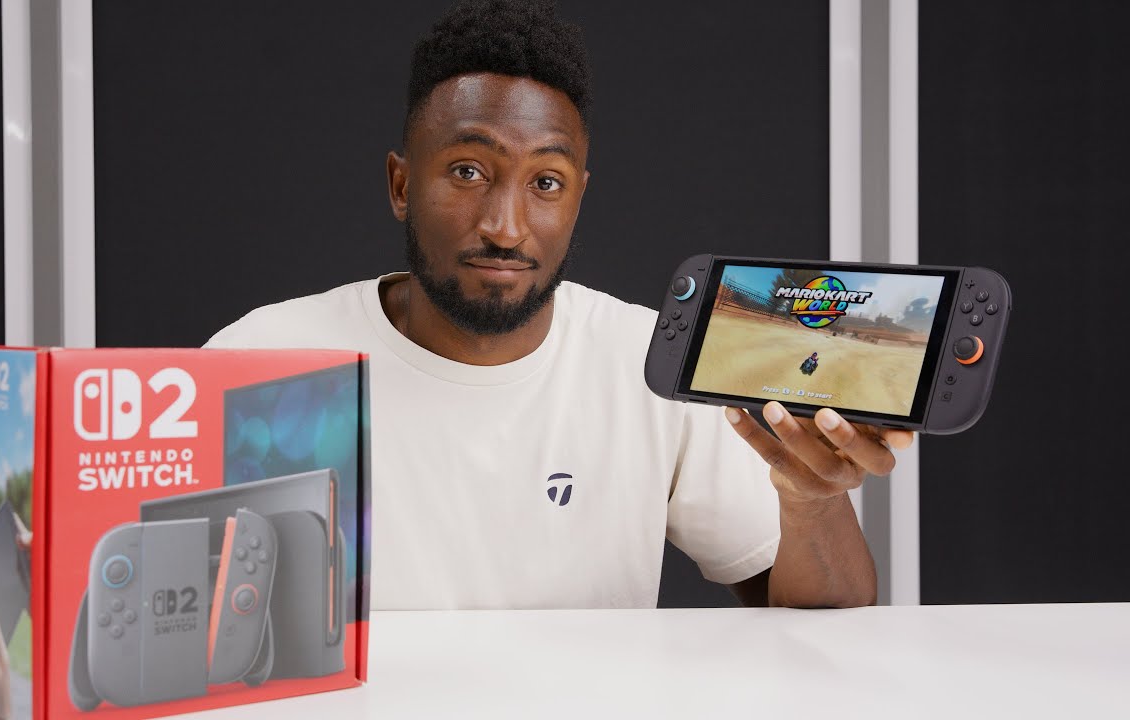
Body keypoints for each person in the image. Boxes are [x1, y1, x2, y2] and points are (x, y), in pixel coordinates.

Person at [206, 0, 910, 610]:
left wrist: (811, 501)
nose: (506, 227)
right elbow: (181, 629)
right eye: (468, 171)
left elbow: (822, 620)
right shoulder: (261, 362)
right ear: (401, 185)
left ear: (579, 196)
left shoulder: (649, 364)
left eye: (546, 181)